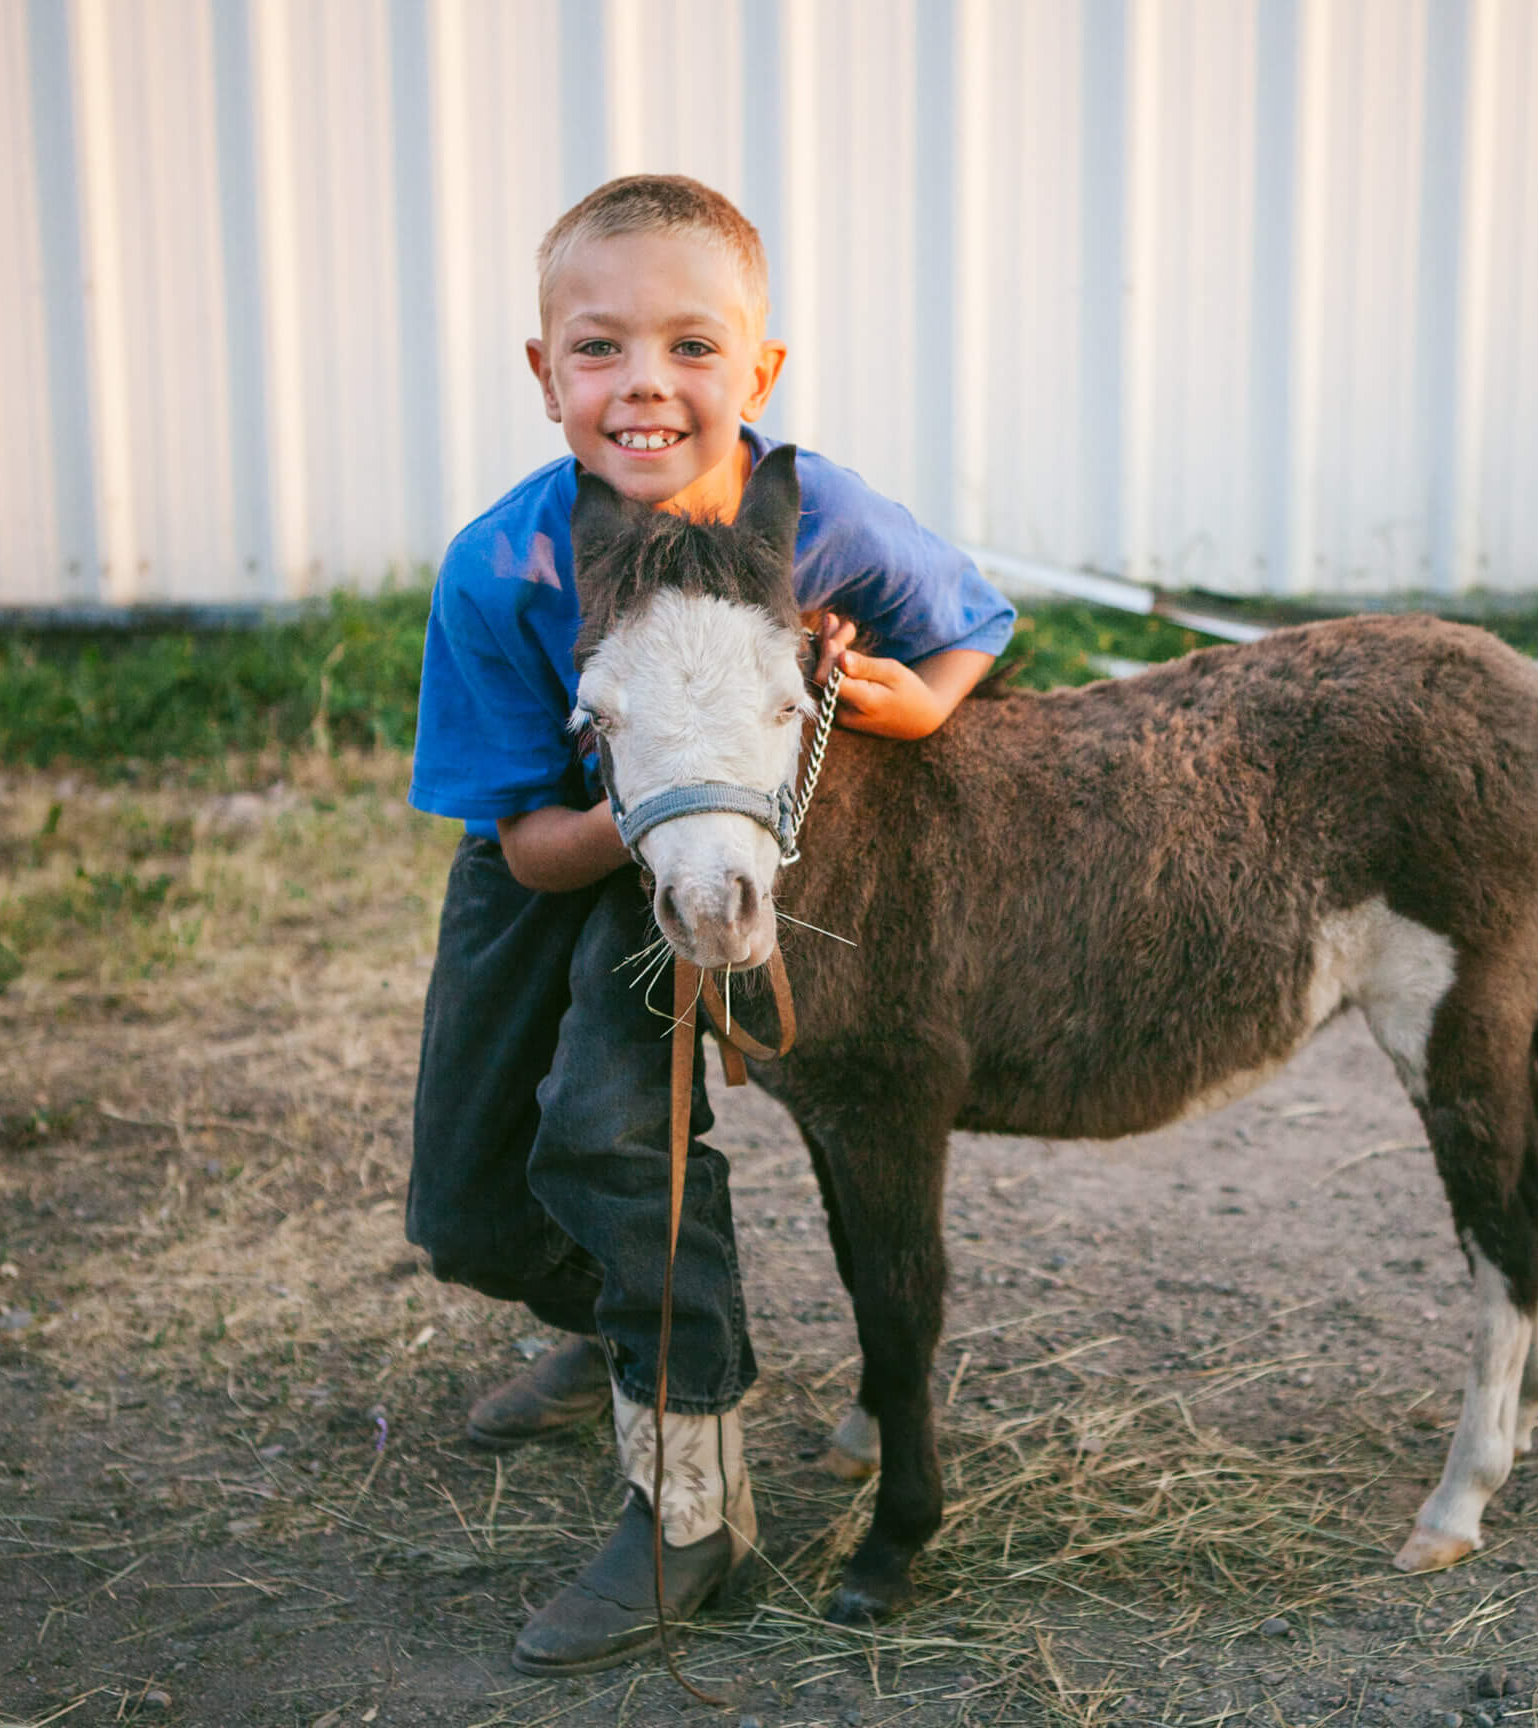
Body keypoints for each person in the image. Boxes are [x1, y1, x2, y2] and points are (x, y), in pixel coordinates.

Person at [404, 174, 1014, 1675]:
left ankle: (692, 1510)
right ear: (544, 375)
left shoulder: (819, 515)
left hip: (717, 863)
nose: (648, 386)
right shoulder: (504, 567)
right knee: (463, 1213)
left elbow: (971, 621)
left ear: (761, 371)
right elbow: (531, 839)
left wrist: (923, 701)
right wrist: (647, 811)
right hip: (563, 846)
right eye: (600, 350)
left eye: (693, 346)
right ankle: (621, 1315)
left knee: (610, 1135)